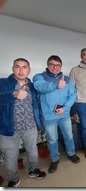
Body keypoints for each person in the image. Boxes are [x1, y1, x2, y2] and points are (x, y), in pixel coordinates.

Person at [0, 58, 46, 187]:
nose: (21, 70)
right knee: (10, 157)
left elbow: (36, 104)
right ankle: (13, 179)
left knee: (33, 151)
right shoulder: (3, 83)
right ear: (13, 69)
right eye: (17, 67)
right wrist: (13, 94)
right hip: (9, 129)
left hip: (30, 126)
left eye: (24, 67)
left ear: (29, 70)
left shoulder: (31, 85)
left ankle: (33, 170)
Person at [33, 55, 80, 174]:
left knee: (68, 135)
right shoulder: (40, 77)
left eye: (58, 65)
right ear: (47, 65)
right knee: (52, 139)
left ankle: (71, 153)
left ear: (61, 66)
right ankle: (54, 159)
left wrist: (65, 108)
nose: (55, 67)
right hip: (49, 116)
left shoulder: (67, 79)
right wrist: (55, 85)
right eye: (52, 64)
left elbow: (72, 95)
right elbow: (40, 87)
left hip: (64, 114)